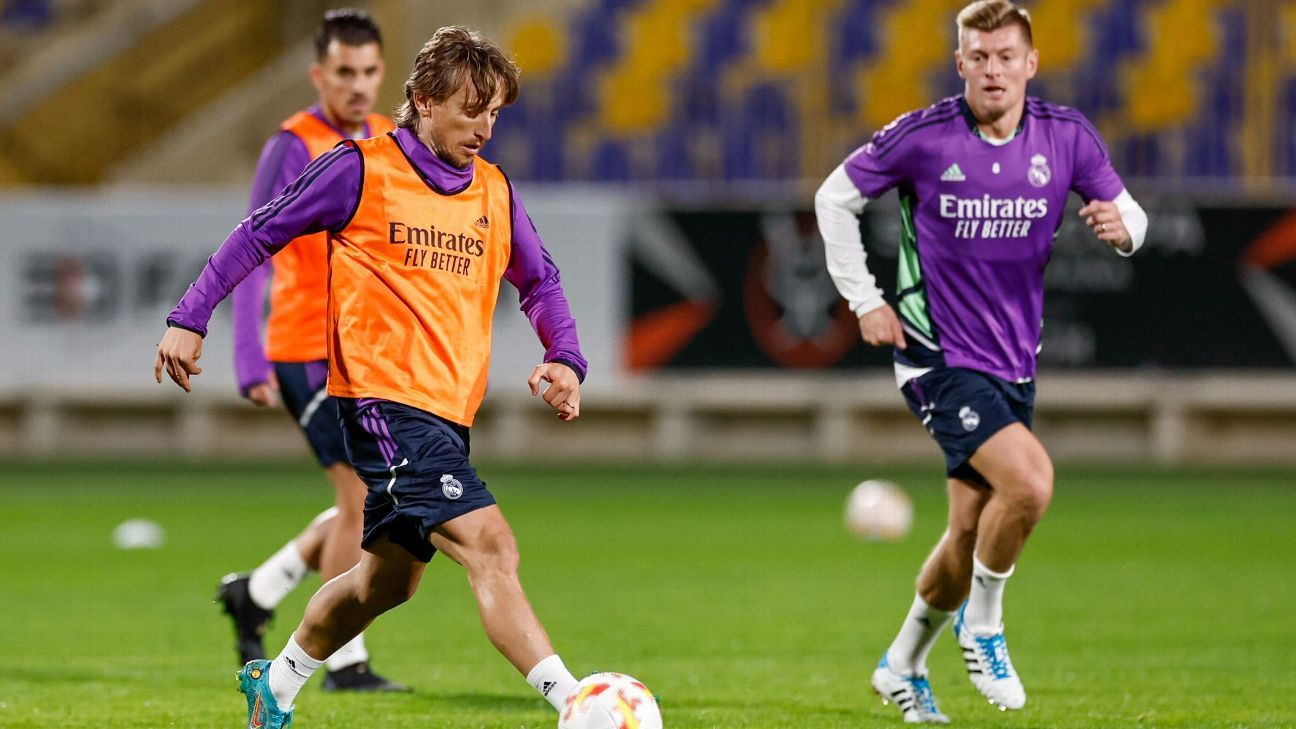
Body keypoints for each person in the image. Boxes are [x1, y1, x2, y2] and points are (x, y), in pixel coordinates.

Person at [155, 26, 590, 729]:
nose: (483, 127)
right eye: (468, 109)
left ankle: (278, 683)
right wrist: (190, 315)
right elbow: (260, 231)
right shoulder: (359, 169)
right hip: (383, 404)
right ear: (421, 100)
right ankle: (580, 702)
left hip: (448, 411)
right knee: (491, 544)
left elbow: (540, 281)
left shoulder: (493, 191)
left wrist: (565, 357)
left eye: (494, 112)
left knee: (383, 585)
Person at [814, 1, 1148, 723]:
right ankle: (984, 623)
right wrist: (865, 298)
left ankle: (900, 664)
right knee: (1030, 482)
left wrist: (1126, 231)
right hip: (935, 352)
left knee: (970, 532)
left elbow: (1132, 215)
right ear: (959, 63)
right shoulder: (925, 136)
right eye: (979, 56)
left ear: (1031, 64)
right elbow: (833, 197)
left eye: (1006, 56)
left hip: (1012, 361)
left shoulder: (1066, 137)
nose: (993, 69)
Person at [216, 7, 405, 693]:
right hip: (303, 348)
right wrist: (248, 358)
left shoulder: (391, 138)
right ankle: (343, 662)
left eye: (369, 71)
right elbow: (253, 250)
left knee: (373, 495)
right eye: (345, 72)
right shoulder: (292, 144)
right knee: (362, 497)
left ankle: (257, 592)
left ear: (383, 72)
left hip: (367, 352)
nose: (358, 85)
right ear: (319, 73)